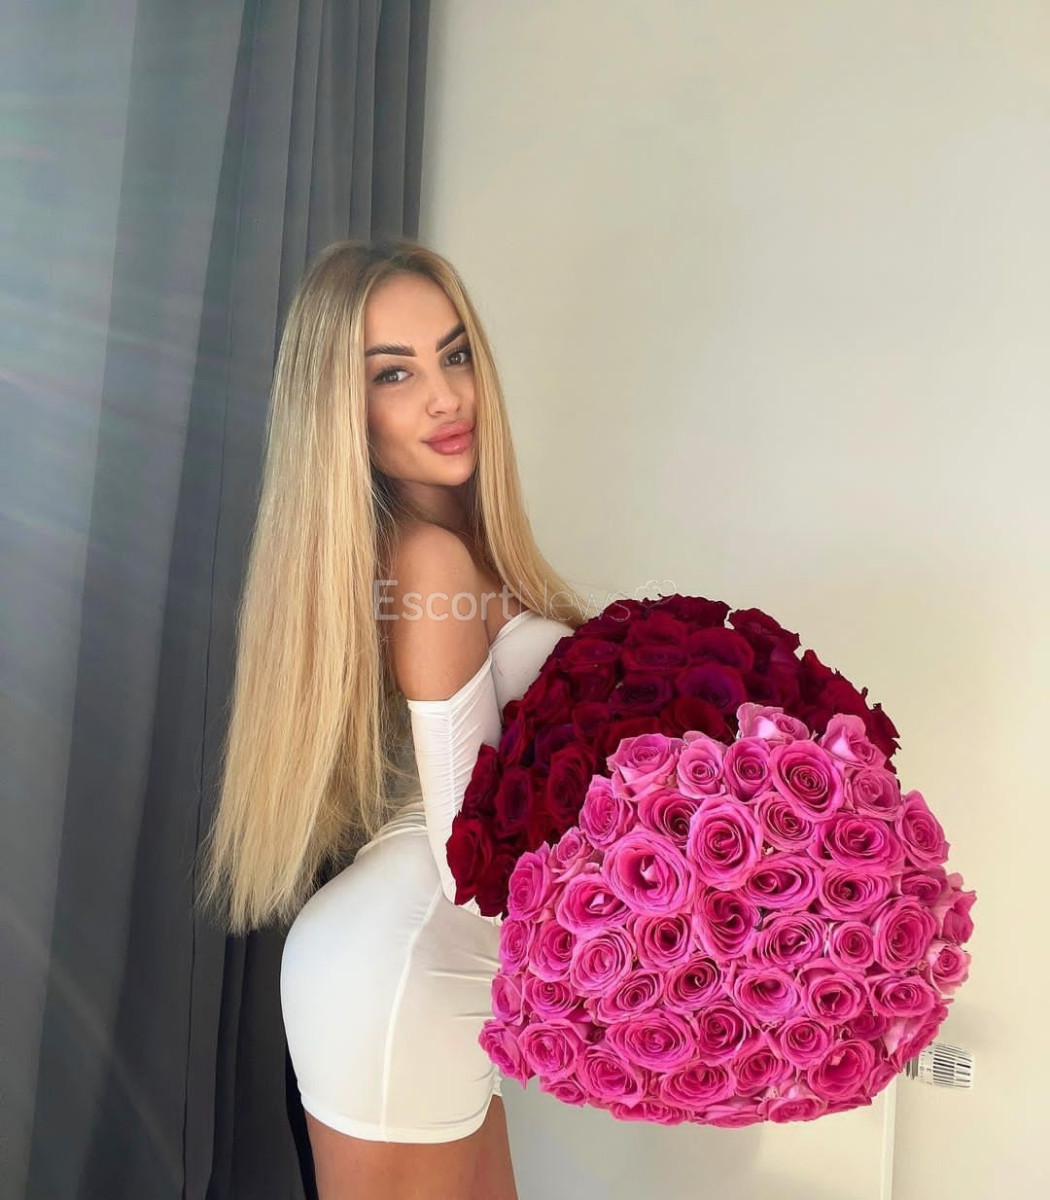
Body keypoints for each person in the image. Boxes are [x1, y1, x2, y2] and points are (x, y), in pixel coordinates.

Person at [197, 237, 589, 1200]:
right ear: (344, 408)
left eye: (454, 356)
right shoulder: (428, 562)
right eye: (395, 373)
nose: (445, 397)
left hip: (429, 967)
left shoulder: (448, 549)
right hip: (408, 970)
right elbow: (473, 854)